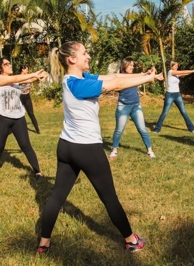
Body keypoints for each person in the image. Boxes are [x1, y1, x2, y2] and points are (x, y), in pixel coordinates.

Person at [37, 41, 162, 254]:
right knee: (109, 197)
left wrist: (143, 75)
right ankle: (132, 240)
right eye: (84, 53)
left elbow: (115, 77)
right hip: (86, 150)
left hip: (66, 146)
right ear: (71, 59)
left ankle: (43, 244)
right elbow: (114, 86)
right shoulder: (78, 85)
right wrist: (148, 79)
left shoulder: (76, 79)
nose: (88, 56)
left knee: (57, 195)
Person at [0, 58, 48, 178]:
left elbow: (28, 80)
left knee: (26, 145)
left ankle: (37, 172)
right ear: (0, 68)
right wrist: (33, 74)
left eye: (10, 63)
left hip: (19, 117)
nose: (10, 65)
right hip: (2, 117)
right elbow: (16, 78)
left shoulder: (15, 84)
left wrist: (39, 76)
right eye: (6, 64)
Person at [109, 57, 163, 159]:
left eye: (133, 65)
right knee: (119, 130)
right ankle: (114, 150)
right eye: (131, 65)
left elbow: (144, 79)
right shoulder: (120, 77)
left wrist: (153, 76)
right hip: (123, 106)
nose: (132, 67)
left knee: (142, 129)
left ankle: (150, 150)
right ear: (125, 65)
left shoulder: (133, 76)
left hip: (136, 106)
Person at [153, 61, 194, 133]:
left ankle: (191, 128)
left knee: (183, 111)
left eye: (177, 66)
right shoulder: (171, 72)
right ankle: (157, 129)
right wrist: (193, 70)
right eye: (176, 66)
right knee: (165, 112)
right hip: (170, 95)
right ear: (172, 66)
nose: (177, 67)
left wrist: (193, 72)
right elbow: (182, 71)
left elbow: (184, 73)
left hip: (177, 95)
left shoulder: (176, 74)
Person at [19, 65, 41, 134]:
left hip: (27, 96)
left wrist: (40, 77)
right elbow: (29, 80)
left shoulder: (28, 76)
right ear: (22, 70)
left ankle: (37, 129)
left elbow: (33, 80)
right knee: (19, 114)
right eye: (26, 69)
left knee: (31, 113)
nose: (27, 71)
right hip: (20, 96)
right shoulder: (18, 77)